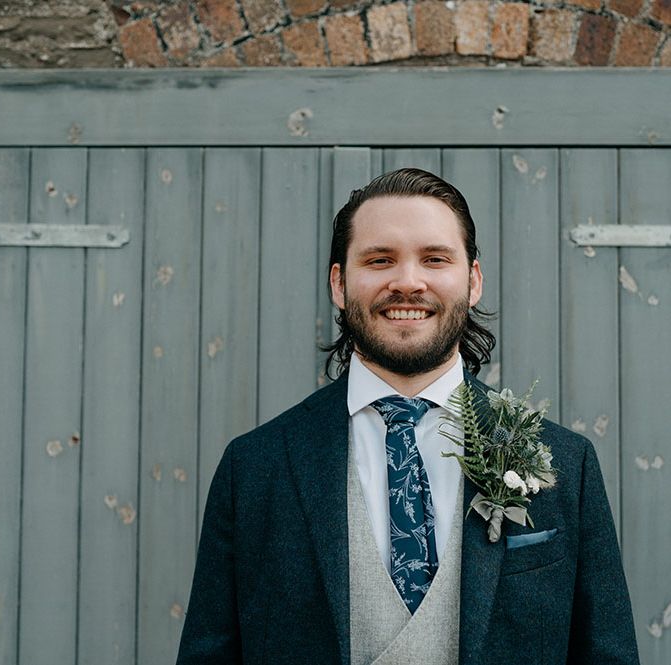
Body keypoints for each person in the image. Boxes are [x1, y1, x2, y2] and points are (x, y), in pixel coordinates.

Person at [176, 168, 640, 664]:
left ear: (473, 279)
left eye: (435, 259)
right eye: (380, 260)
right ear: (339, 283)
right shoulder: (254, 467)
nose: (408, 282)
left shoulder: (568, 464)